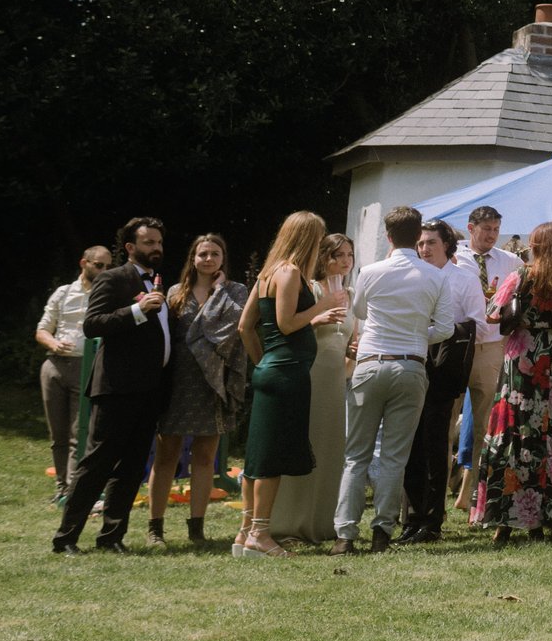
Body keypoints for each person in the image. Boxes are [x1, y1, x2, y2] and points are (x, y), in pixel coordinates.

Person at [335, 205, 462, 555]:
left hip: (371, 363)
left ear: (388, 236)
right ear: (417, 234)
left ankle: (345, 535)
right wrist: (417, 336)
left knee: (356, 455)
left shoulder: (370, 271)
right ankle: (381, 533)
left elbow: (360, 311)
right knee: (394, 456)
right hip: (410, 366)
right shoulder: (436, 276)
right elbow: (446, 329)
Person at [472, 220, 552, 543]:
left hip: (523, 361)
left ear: (538, 247)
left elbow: (492, 314)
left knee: (516, 431)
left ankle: (505, 520)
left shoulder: (521, 276)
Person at [52, 218, 176, 554]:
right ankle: (66, 538)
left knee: (133, 466)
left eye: (159, 242)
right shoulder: (113, 278)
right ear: (131, 247)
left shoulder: (159, 282)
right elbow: (92, 325)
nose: (156, 248)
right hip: (117, 388)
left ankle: (111, 537)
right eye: (149, 242)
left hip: (150, 389)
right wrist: (137, 310)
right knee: (97, 463)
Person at [228, 212, 344, 558]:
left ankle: (245, 531)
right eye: (319, 238)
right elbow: (287, 323)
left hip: (272, 371)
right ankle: (260, 534)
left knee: (257, 455)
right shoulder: (290, 272)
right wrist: (322, 306)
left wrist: (262, 362)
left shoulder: (267, 273)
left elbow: (245, 327)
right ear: (307, 238)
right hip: (288, 373)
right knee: (272, 458)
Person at [146, 233, 247, 547]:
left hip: (212, 381)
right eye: (203, 254)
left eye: (215, 253)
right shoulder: (175, 292)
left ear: (223, 259)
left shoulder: (235, 291)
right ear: (193, 258)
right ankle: (155, 528)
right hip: (177, 380)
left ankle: (197, 529)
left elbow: (232, 330)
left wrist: (218, 292)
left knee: (205, 456)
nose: (208, 259)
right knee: (166, 454)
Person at [401, 218, 481, 542]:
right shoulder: (412, 275)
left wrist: (439, 329)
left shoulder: (464, 279)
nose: (424, 248)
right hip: (411, 360)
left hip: (443, 366)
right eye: (420, 243)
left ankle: (432, 520)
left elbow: (478, 324)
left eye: (431, 242)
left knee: (435, 443)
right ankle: (412, 517)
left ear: (447, 245)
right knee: (411, 442)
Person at [270, 233, 353, 544]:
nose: (345, 261)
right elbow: (289, 328)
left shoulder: (350, 294)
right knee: (305, 443)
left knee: (331, 449)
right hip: (310, 373)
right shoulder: (311, 289)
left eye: (349, 255)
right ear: (323, 258)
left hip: (337, 379)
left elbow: (350, 338)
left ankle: (323, 523)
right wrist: (317, 320)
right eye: (337, 255)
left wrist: (353, 353)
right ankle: (290, 523)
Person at [451, 206, 521, 511]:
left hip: (491, 347)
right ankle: (438, 490)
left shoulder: (510, 261)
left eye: (496, 230)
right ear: (471, 228)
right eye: (486, 229)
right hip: (456, 346)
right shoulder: (453, 256)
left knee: (485, 425)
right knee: (446, 421)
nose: (492, 235)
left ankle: (472, 494)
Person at [37, 245, 110, 504]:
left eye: (107, 267)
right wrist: (53, 343)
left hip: (87, 366)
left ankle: (74, 489)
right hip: (54, 366)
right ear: (84, 263)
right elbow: (42, 329)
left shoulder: (108, 295)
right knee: (57, 433)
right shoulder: (64, 292)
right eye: (98, 266)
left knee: (79, 433)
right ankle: (62, 487)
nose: (103, 271)